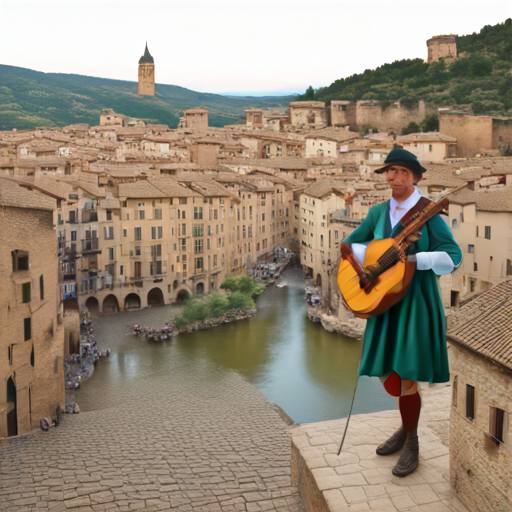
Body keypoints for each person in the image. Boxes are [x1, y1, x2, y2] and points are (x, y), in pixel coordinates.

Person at [341, 148, 462, 477]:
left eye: (402, 172)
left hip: (415, 301)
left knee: (407, 374)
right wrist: (374, 261)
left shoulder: (429, 215)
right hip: (385, 300)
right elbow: (349, 245)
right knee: (392, 375)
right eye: (390, 172)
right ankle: (406, 428)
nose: (394, 178)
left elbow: (453, 255)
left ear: (416, 177)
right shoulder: (378, 212)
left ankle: (412, 444)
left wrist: (415, 260)